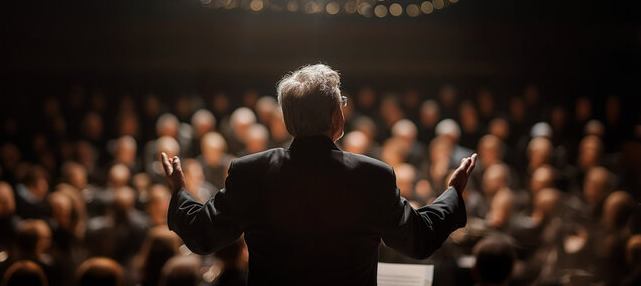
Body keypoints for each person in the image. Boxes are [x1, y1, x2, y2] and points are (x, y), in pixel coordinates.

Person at [164, 64, 477, 285]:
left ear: (287, 121)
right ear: (335, 117)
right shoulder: (372, 176)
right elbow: (419, 240)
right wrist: (453, 193)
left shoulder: (251, 172)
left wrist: (179, 190)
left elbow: (202, 236)